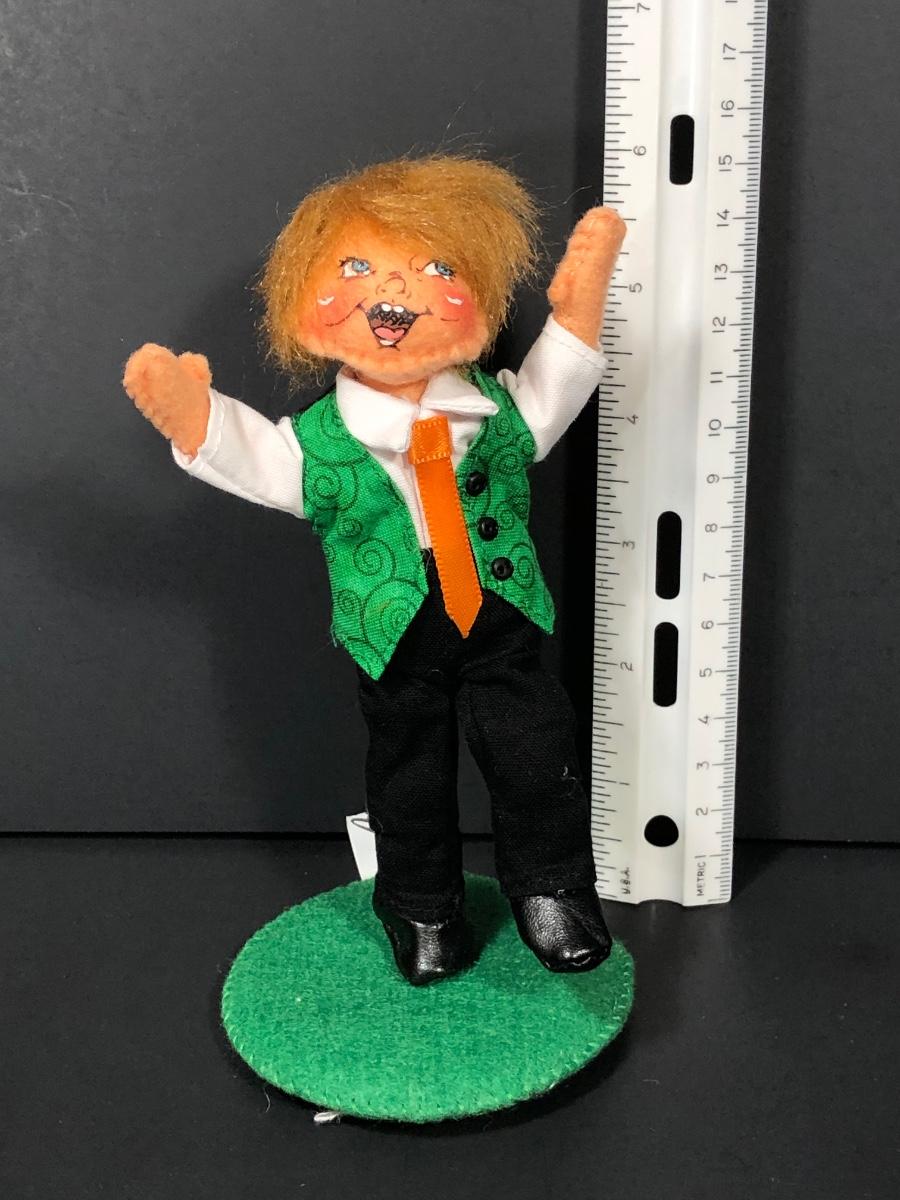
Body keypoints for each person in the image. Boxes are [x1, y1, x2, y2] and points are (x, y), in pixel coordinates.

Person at [123, 154, 626, 985]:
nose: (396, 291)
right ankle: (421, 907)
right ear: (302, 306)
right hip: (392, 634)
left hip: (501, 619)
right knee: (407, 775)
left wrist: (577, 317)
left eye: (439, 270)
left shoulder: (494, 411)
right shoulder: (320, 441)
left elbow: (550, 395)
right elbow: (264, 461)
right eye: (354, 267)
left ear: (483, 303)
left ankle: (554, 890)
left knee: (537, 755)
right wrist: (198, 420)